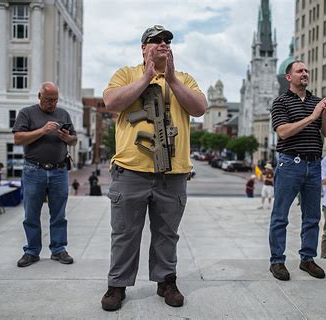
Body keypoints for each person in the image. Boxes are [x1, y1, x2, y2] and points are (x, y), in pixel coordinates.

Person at [99, 25, 206, 311]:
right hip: (131, 170)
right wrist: (147, 76)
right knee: (124, 233)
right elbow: (111, 102)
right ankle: (117, 284)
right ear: (143, 47)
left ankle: (166, 281)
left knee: (167, 233)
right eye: (156, 40)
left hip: (173, 173)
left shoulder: (183, 78)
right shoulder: (126, 74)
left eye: (168, 40)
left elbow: (199, 108)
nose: (163, 44)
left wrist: (171, 79)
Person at [269, 60, 326, 281]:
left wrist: (323, 115)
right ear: (289, 77)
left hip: (314, 164)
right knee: (280, 216)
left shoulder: (317, 102)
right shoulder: (281, 102)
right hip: (290, 164)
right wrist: (312, 117)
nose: (305, 73)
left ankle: (307, 259)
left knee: (312, 217)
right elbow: (283, 132)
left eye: (307, 70)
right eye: (300, 71)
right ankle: (277, 261)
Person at [12, 81, 77, 268]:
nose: (52, 104)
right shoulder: (27, 113)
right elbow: (17, 139)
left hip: (59, 170)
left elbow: (74, 140)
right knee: (31, 213)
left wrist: (67, 138)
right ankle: (31, 251)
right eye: (49, 100)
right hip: (34, 169)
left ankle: (58, 249)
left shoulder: (63, 113)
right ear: (40, 96)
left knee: (59, 213)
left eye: (55, 100)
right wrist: (43, 130)